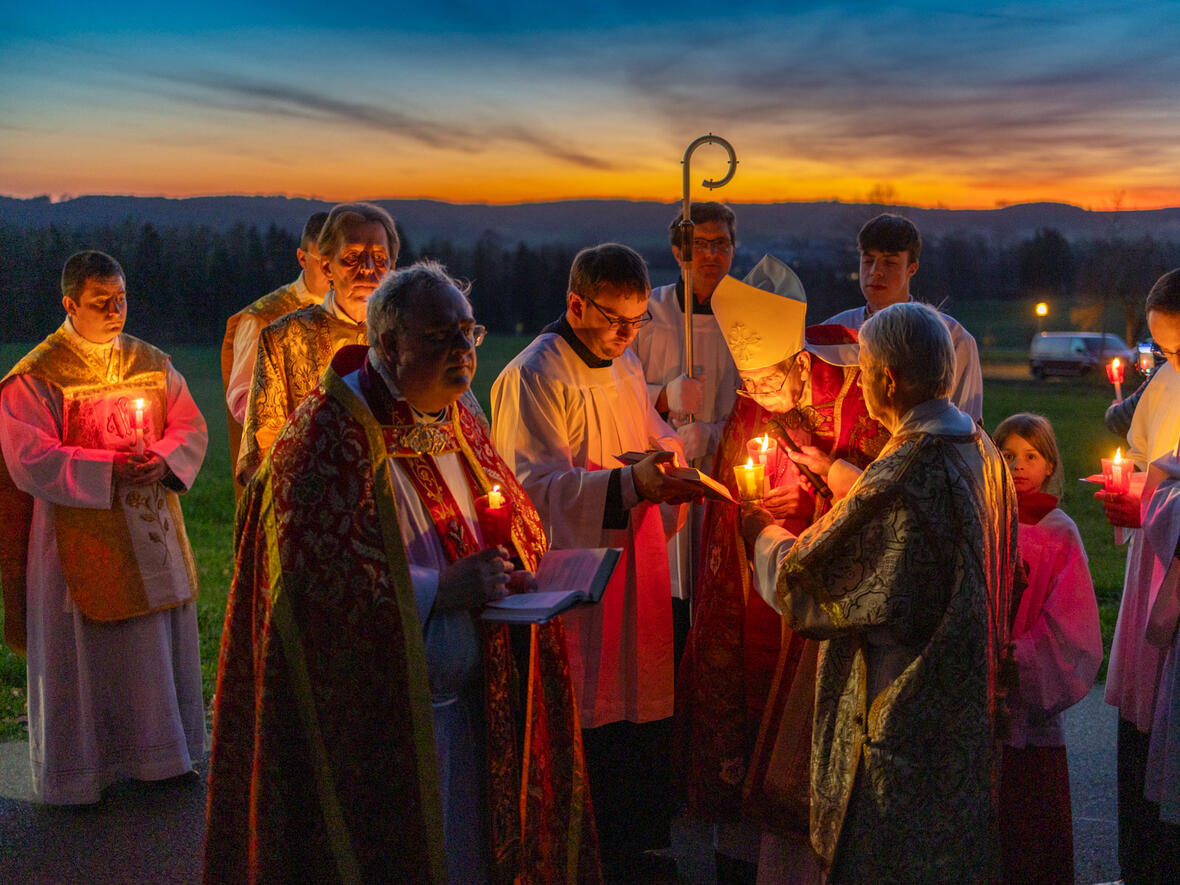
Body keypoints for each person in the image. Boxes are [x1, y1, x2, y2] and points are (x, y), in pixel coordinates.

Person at [204, 261, 600, 883]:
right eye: (440, 336)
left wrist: (514, 566)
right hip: (383, 725)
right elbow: (310, 587)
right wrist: (440, 589)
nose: (463, 351)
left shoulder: (460, 413)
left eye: (468, 333)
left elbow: (506, 509)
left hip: (470, 706)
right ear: (387, 344)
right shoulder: (326, 435)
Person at [741, 301, 1018, 882]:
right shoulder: (982, 449)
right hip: (965, 709)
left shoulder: (905, 473)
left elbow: (807, 585)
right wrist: (847, 478)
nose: (859, 380)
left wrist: (759, 534)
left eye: (862, 368)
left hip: (900, 716)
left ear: (886, 377)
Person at [673, 259, 888, 883]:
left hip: (826, 598)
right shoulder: (750, 401)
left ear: (798, 363)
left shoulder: (861, 394)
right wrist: (750, 508)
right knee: (747, 712)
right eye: (749, 383)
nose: (758, 395)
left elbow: (879, 504)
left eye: (768, 381)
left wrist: (813, 499)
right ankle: (742, 853)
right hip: (758, 586)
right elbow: (734, 485)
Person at [491, 242, 699, 880]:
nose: (625, 334)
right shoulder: (533, 376)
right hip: (577, 578)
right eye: (612, 318)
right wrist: (632, 486)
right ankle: (584, 848)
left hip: (635, 562)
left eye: (636, 322)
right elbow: (534, 495)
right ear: (575, 303)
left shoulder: (627, 365)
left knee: (639, 701)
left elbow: (647, 436)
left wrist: (669, 460)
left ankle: (635, 842)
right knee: (590, 709)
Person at [0, 250, 207, 805]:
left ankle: (163, 755)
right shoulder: (37, 375)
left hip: (148, 524)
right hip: (75, 529)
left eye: (121, 299)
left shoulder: (152, 360)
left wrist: (164, 458)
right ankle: (82, 772)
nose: (116, 311)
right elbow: (27, 457)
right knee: (85, 650)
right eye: (101, 302)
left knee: (150, 646)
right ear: (70, 304)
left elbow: (189, 423)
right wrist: (104, 468)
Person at [993, 413, 1102, 884]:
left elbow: (1072, 622)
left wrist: (1020, 656)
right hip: (983, 693)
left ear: (1049, 464)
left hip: (1027, 697)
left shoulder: (1059, 532)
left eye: (1030, 456)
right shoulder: (985, 519)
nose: (1018, 465)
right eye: (1007, 455)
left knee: (1031, 817)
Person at [630, 202, 742, 663]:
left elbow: (765, 393)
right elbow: (616, 383)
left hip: (726, 468)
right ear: (679, 251)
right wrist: (664, 397)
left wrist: (717, 432)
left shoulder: (746, 315)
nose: (712, 255)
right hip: (661, 469)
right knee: (666, 595)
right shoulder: (648, 313)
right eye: (700, 245)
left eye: (722, 244)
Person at [1100, 267, 1180, 884]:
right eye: (1164, 349)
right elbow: (1150, 460)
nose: (1172, 362)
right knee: (1143, 723)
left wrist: (1150, 506)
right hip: (1151, 564)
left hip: (1172, 572)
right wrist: (1131, 493)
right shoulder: (1169, 380)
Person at [235, 201, 397, 485]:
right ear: (326, 265)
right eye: (352, 257)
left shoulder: (410, 335)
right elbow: (263, 446)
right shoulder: (284, 338)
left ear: (393, 267)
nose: (368, 270)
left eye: (380, 259)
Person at [825, 213, 984, 423]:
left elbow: (965, 423)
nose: (875, 272)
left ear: (912, 268)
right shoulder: (832, 334)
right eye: (868, 261)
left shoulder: (952, 337)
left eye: (889, 263)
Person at [220, 211, 329, 495]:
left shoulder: (361, 312)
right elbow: (242, 397)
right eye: (324, 261)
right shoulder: (265, 317)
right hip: (285, 464)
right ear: (303, 258)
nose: (333, 272)